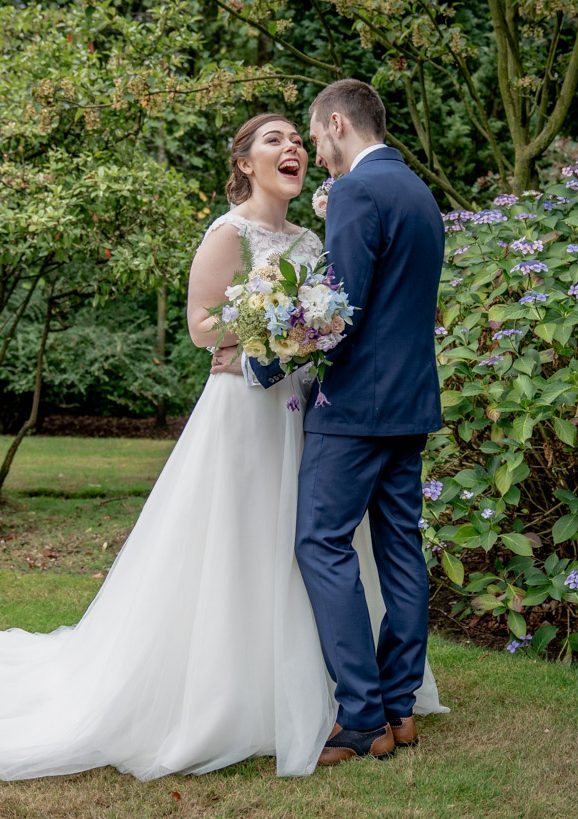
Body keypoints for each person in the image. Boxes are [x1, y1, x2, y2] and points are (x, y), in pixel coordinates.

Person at [0, 113, 445, 783]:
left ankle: (322, 689)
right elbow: (201, 325)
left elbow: (330, 313)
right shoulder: (227, 233)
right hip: (242, 409)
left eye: (298, 139)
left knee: (307, 545)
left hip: (302, 409)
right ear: (243, 163)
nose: (293, 147)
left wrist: (299, 328)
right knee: (240, 544)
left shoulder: (309, 238)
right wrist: (262, 327)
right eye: (275, 140)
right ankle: (234, 690)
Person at [240, 81, 446, 765]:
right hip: (410, 401)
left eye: (313, 134)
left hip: (355, 405)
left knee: (320, 542)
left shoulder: (358, 191)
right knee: (398, 549)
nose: (313, 149)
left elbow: (339, 309)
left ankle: (359, 715)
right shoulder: (417, 192)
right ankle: (397, 704)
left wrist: (264, 368)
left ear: (335, 124)